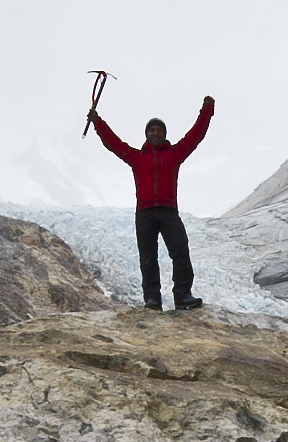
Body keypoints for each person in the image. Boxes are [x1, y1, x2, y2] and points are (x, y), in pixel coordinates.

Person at [90, 86, 213, 310]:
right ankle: (152, 299)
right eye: (151, 131)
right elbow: (113, 143)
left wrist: (207, 110)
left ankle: (183, 295)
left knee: (180, 252)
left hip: (168, 211)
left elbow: (195, 136)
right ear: (146, 135)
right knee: (148, 258)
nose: (155, 133)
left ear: (164, 135)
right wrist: (98, 123)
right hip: (145, 213)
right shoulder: (136, 157)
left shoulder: (174, 154)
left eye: (159, 131)